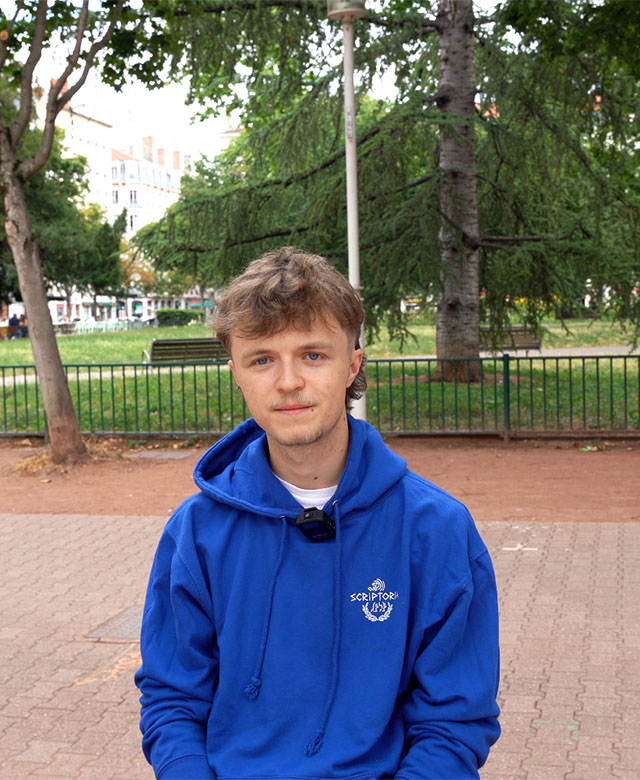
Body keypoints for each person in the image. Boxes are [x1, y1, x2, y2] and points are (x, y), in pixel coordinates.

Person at [135, 247, 501, 780]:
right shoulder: (196, 533)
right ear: (236, 371)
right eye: (262, 358)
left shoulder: (436, 529)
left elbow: (454, 720)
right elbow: (173, 700)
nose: (287, 382)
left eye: (312, 355)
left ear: (352, 364)